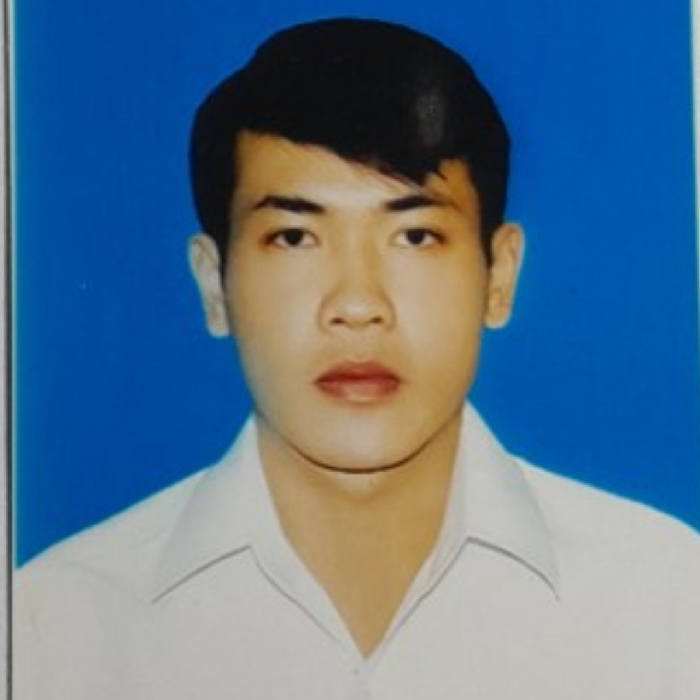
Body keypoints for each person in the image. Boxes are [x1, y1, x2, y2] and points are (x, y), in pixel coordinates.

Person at [14, 17, 700, 700]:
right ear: (214, 286)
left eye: (415, 236)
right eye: (294, 237)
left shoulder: (665, 601)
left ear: (499, 276)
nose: (357, 304)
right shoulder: (51, 626)